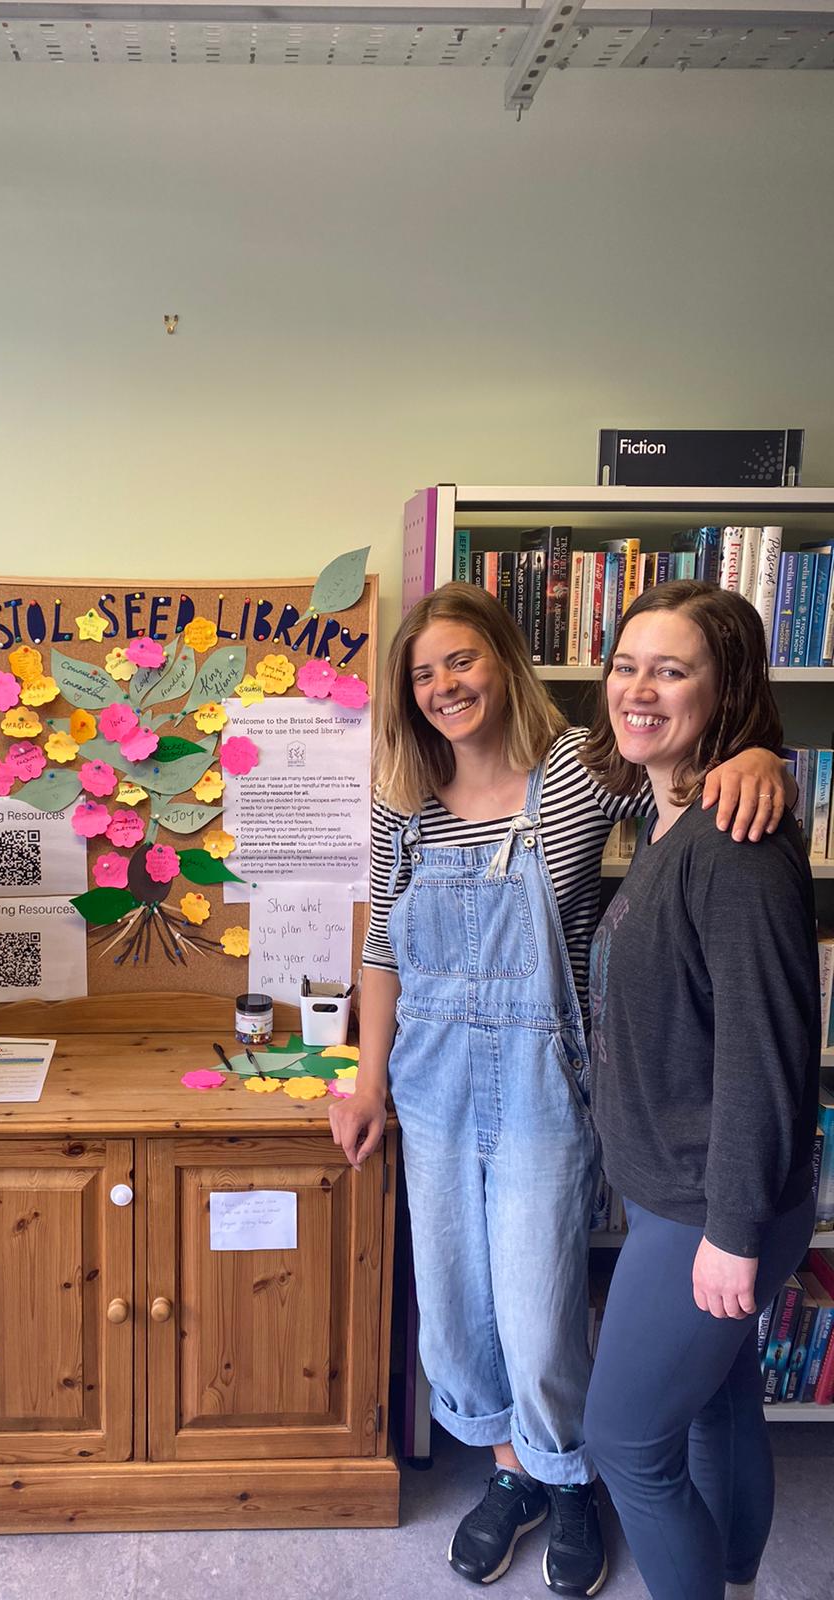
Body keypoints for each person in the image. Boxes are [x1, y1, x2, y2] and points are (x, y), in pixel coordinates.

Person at [328, 582, 791, 1596]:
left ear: (504, 660)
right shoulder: (402, 805)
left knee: (538, 1307)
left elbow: (691, 780)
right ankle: (513, 1475)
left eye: (462, 660)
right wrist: (365, 1084)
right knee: (458, 1308)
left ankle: (571, 1476)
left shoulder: (582, 777)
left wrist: (767, 756)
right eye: (423, 672)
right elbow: (379, 945)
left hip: (546, 1081)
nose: (445, 684)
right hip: (432, 1084)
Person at [581, 581, 819, 1600]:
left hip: (707, 1206)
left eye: (671, 670)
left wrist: (730, 1227)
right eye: (627, 664)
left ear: (725, 692)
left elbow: (765, 1053)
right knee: (720, 1409)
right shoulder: (680, 809)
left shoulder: (735, 843)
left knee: (626, 1442)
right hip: (680, 1191)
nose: (639, 689)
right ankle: (732, 1581)